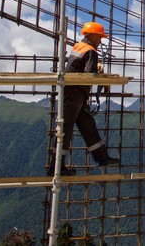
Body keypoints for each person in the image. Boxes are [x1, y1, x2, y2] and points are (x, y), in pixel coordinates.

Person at [47, 21, 119, 176]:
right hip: (75, 94)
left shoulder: (78, 47)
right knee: (64, 130)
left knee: (87, 124)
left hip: (73, 94)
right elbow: (87, 76)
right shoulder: (91, 51)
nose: (100, 41)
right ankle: (56, 167)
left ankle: (102, 157)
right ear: (92, 35)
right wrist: (102, 79)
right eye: (100, 37)